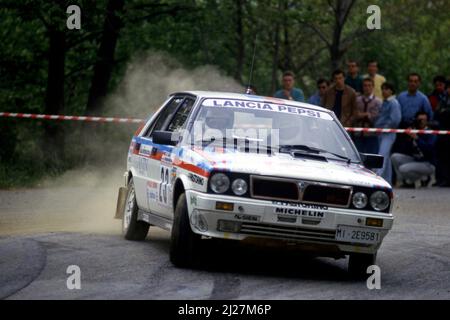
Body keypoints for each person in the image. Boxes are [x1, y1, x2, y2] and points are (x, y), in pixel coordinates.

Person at [391, 111, 436, 188]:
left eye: (423, 120)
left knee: (403, 168)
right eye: (419, 120)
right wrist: (408, 137)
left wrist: (417, 138)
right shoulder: (414, 130)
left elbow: (429, 150)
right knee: (394, 157)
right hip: (415, 159)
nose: (421, 122)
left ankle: (423, 178)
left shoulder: (431, 133)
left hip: (428, 163)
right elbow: (405, 150)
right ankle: (406, 181)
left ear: (427, 121)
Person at [375, 83, 402, 184]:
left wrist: (385, 127)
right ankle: (387, 181)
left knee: (382, 155)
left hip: (388, 132)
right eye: (383, 89)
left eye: (386, 89)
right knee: (386, 157)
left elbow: (395, 119)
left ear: (391, 91)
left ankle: (378, 178)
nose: (384, 91)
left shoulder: (393, 102)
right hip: (382, 132)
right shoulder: (385, 102)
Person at [353, 78, 382, 154]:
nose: (367, 88)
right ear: (362, 87)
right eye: (365, 85)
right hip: (358, 133)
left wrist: (365, 115)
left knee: (371, 157)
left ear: (373, 87)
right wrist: (365, 114)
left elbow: (377, 116)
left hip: (372, 134)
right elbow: (355, 114)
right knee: (359, 156)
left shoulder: (378, 102)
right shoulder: (357, 100)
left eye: (369, 85)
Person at [433, 80, 450, 187]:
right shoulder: (443, 99)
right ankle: (442, 179)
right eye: (448, 87)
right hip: (442, 132)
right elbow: (437, 112)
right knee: (441, 157)